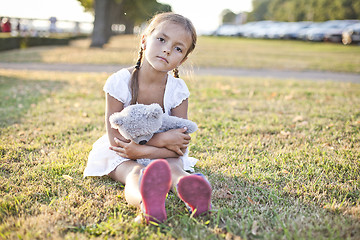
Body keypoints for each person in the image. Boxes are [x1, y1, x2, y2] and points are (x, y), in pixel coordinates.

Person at [84, 12, 212, 224]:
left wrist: (146, 150)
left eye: (178, 48)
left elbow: (179, 145)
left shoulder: (177, 90)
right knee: (134, 172)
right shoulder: (119, 82)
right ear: (144, 40)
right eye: (161, 39)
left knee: (173, 166)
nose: (167, 49)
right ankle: (147, 204)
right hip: (122, 152)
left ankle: (191, 190)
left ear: (183, 58)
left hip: (163, 154)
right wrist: (159, 141)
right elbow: (116, 139)